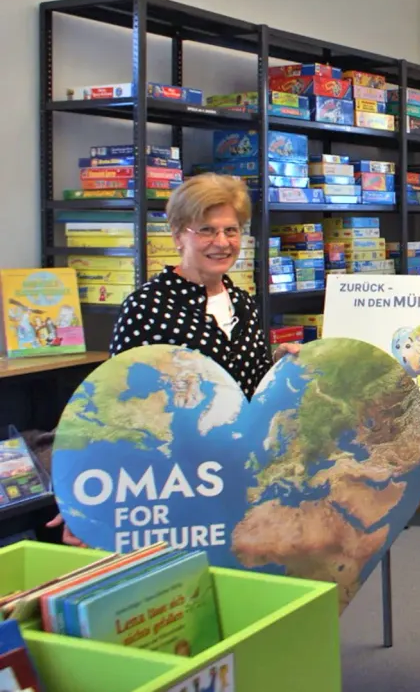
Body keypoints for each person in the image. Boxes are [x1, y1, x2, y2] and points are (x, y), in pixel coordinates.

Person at [48, 173, 298, 546]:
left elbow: (248, 389)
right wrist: (88, 500)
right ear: (179, 234)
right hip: (173, 484)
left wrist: (280, 363)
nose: (222, 243)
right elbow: (117, 407)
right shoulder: (148, 307)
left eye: (232, 230)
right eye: (206, 231)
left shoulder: (243, 303)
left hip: (237, 478)